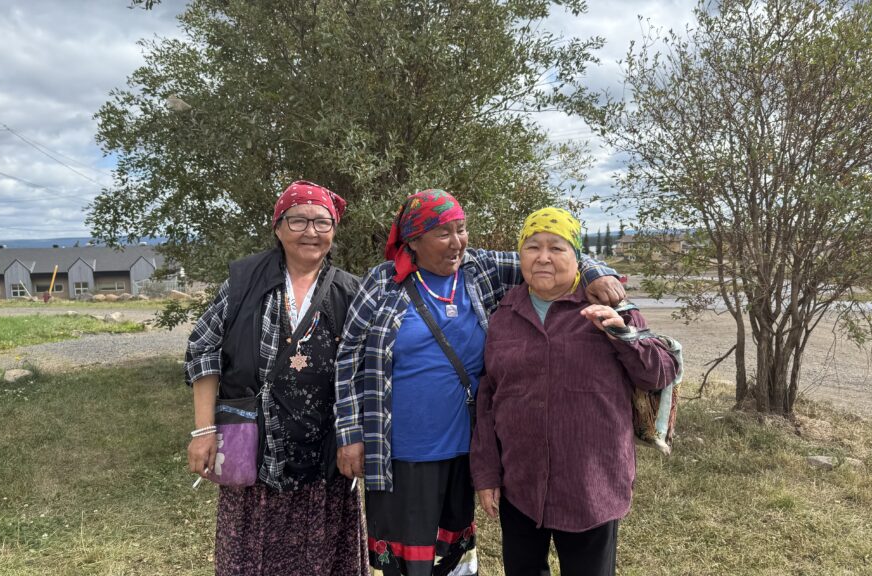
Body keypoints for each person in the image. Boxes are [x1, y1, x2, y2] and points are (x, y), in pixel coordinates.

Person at [334, 190, 626, 576]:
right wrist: (350, 432)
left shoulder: (480, 267)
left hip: (465, 447)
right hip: (402, 449)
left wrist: (595, 272)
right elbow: (349, 355)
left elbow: (554, 254)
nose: (457, 242)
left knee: (454, 555)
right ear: (414, 240)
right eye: (443, 233)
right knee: (407, 561)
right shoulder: (383, 282)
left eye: (462, 229)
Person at [469, 207, 678, 576]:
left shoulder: (609, 306)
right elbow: (488, 399)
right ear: (520, 256)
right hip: (521, 486)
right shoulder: (504, 314)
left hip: (590, 486)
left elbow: (661, 372)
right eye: (532, 247)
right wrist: (486, 474)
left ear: (577, 256)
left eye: (557, 248)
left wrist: (622, 334)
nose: (543, 257)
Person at [184, 181, 367, 576]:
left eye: (322, 222)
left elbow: (365, 371)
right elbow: (203, 348)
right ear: (278, 227)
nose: (311, 232)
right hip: (255, 455)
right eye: (298, 220)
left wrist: (355, 436)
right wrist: (203, 431)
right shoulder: (243, 283)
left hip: (324, 462)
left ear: (333, 231)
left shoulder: (351, 291)